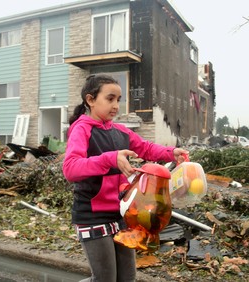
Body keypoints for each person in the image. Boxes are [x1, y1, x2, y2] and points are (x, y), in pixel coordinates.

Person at [62, 73, 188, 282]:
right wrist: (110, 159)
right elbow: (70, 168)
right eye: (109, 98)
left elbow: (145, 148)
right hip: (92, 216)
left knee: (127, 278)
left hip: (123, 215)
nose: (115, 105)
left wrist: (171, 153)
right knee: (104, 279)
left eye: (118, 100)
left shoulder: (120, 131)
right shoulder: (82, 129)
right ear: (90, 100)